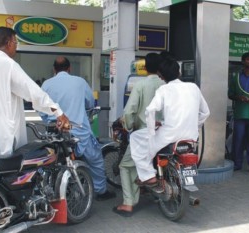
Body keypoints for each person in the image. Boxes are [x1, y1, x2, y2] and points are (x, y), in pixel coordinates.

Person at [0, 27, 69, 156]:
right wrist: (58, 112)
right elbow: (32, 92)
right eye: (16, 42)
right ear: (9, 43)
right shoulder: (8, 64)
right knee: (4, 171)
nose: (16, 46)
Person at [40, 56, 116, 201]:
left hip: (54, 133)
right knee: (96, 160)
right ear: (69, 68)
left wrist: (49, 120)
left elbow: (40, 108)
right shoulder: (80, 82)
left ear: (54, 70)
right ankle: (101, 191)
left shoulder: (46, 85)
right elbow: (90, 103)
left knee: (50, 163)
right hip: (79, 132)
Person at [130, 57, 210, 191]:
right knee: (152, 137)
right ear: (179, 72)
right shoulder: (193, 87)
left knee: (135, 138)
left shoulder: (163, 90)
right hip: (191, 137)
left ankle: (148, 176)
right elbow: (205, 112)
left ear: (161, 76)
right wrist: (195, 127)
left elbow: (150, 111)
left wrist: (151, 132)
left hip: (170, 136)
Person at [113, 53, 165, 217]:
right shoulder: (166, 85)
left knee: (125, 165)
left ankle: (128, 203)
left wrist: (128, 126)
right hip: (165, 134)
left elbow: (129, 111)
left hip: (144, 134)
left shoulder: (141, 85)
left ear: (145, 66)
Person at [228, 51, 249, 175]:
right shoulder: (236, 76)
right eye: (248, 59)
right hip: (240, 114)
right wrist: (239, 97)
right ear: (243, 61)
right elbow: (230, 94)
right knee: (238, 139)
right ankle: (237, 164)